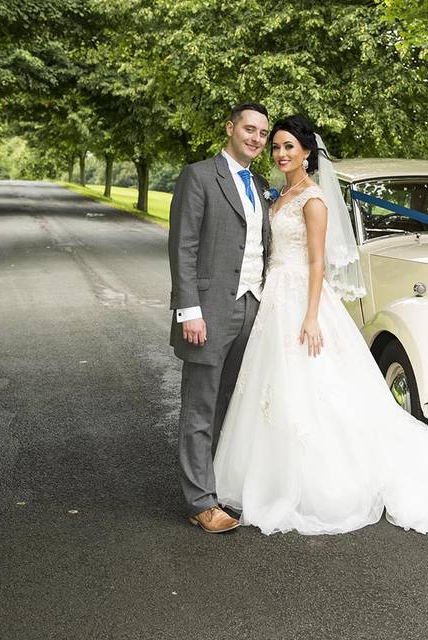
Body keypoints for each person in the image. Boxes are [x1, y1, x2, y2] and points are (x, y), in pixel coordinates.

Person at [211, 114, 428, 535]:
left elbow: (317, 261)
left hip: (302, 299)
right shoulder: (281, 195)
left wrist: (312, 315)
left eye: (289, 147)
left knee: (313, 387)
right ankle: (269, 473)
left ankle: (318, 483)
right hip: (275, 298)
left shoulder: (312, 199)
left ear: (307, 153)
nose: (280, 154)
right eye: (276, 146)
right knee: (275, 388)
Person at [168, 102, 272, 533]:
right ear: (230, 129)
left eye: (263, 133)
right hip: (208, 312)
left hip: (253, 306)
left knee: (231, 405)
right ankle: (199, 502)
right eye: (249, 129)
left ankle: (219, 486)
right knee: (200, 407)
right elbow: (183, 247)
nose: (256, 138)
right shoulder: (198, 175)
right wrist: (189, 309)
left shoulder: (262, 185)